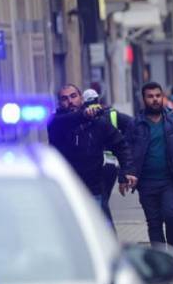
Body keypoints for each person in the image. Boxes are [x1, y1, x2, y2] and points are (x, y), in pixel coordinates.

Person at [124, 82, 173, 251]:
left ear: (163, 97)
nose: (155, 100)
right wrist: (125, 175)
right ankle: (161, 261)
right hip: (145, 182)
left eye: (158, 96)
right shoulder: (135, 125)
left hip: (170, 181)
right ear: (143, 99)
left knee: (171, 216)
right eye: (150, 96)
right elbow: (126, 151)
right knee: (154, 222)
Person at [48, 84, 137, 214]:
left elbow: (120, 145)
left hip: (94, 188)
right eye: (65, 98)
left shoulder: (98, 122)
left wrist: (127, 171)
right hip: (67, 190)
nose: (70, 101)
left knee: (102, 228)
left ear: (81, 99)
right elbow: (66, 121)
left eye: (73, 96)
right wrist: (83, 114)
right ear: (59, 103)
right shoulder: (56, 122)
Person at [82, 88, 134, 227]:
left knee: (101, 202)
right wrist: (125, 139)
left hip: (97, 164)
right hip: (111, 164)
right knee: (101, 200)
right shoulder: (112, 114)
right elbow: (133, 124)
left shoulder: (83, 116)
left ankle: (107, 235)